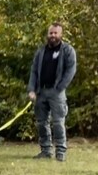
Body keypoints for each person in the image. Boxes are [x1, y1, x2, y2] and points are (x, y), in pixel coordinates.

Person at [27, 22, 77, 162]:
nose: (53, 35)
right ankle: (45, 150)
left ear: (61, 34)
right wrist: (32, 89)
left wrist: (60, 87)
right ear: (47, 34)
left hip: (57, 93)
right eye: (51, 33)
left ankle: (60, 151)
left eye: (56, 33)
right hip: (41, 92)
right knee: (41, 122)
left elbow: (71, 70)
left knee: (58, 122)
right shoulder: (41, 52)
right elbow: (34, 71)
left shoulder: (67, 50)